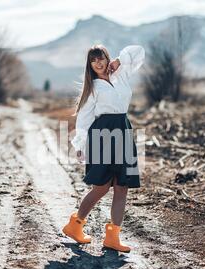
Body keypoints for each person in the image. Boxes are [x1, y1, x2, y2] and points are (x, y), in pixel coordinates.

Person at [62, 44, 145, 253]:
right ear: (89, 65)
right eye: (93, 60)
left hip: (123, 131)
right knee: (101, 187)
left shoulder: (120, 75)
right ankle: (75, 225)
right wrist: (81, 145)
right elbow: (84, 119)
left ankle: (113, 237)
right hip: (102, 134)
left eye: (102, 58)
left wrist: (119, 60)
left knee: (122, 186)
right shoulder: (93, 88)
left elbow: (138, 52)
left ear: (107, 59)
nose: (98, 63)